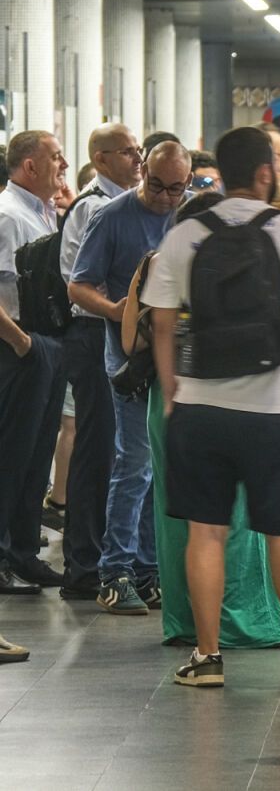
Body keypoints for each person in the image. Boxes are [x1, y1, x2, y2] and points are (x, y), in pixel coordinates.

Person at [139, 127, 280, 691]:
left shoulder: (184, 235)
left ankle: (206, 658)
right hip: (276, 411)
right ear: (265, 174)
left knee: (205, 534)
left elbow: (160, 322)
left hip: (199, 405)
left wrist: (171, 393)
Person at [68, 140, 191, 613]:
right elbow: (78, 285)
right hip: (129, 357)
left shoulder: (189, 216)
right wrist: (116, 309)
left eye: (174, 189)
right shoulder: (111, 216)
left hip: (179, 354)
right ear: (143, 173)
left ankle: (147, 566)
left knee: (162, 466)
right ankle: (114, 571)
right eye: (156, 185)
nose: (164, 197)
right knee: (134, 463)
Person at [54, 123, 142, 598]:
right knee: (97, 450)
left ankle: (114, 554)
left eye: (138, 150)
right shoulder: (94, 207)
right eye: (127, 152)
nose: (136, 159)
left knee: (120, 453)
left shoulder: (132, 205)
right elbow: (82, 281)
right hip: (93, 334)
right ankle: (84, 564)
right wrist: (117, 308)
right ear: (102, 158)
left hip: (118, 332)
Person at [0, 130, 69, 595]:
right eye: (56, 157)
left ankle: (24, 551)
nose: (63, 165)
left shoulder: (43, 210)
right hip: (18, 346)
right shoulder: (7, 216)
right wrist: (23, 344)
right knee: (10, 457)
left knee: (36, 456)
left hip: (44, 342)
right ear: (30, 166)